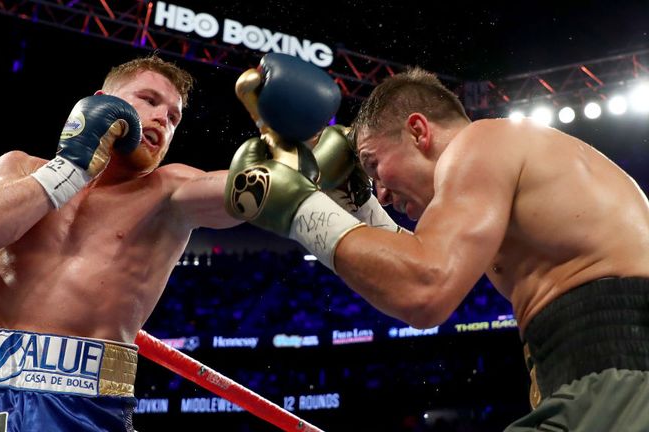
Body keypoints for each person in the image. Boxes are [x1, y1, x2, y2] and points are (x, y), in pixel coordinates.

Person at [225, 66, 649, 431]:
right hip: (601, 381)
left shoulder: (480, 142)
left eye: (374, 167)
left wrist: (298, 205)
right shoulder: (514, 177)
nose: (384, 193)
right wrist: (354, 203)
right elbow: (418, 264)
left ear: (418, 130)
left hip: (618, 378)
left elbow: (424, 288)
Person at [0, 54, 242, 431]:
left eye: (173, 117)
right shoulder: (21, 167)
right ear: (102, 100)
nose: (162, 119)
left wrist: (288, 166)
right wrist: (71, 168)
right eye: (149, 100)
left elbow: (243, 195)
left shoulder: (169, 191)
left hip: (84, 406)